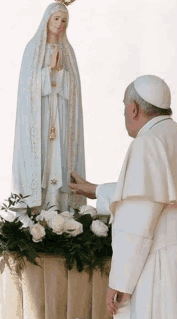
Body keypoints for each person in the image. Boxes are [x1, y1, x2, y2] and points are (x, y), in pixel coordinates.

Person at [69, 75, 177, 319]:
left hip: (167, 267)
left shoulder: (146, 142)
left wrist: (119, 283)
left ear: (134, 109)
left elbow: (137, 219)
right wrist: (96, 190)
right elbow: (155, 193)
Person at [11, 2, 86, 213]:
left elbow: (74, 90)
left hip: (60, 116)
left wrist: (61, 73)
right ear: (47, 20)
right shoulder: (33, 49)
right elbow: (27, 88)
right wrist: (48, 71)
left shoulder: (68, 52)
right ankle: (36, 209)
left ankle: (60, 208)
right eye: (56, 19)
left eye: (64, 21)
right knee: (42, 156)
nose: (60, 24)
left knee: (59, 155)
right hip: (40, 116)